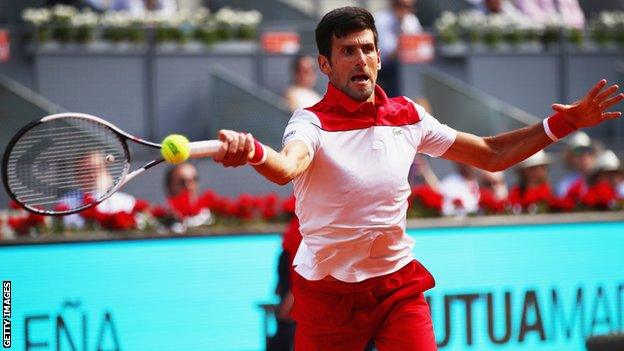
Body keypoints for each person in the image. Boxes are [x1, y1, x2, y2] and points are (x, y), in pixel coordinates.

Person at [211, 7, 622, 350]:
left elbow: (492, 154)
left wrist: (562, 123)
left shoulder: (408, 116)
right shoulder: (310, 122)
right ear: (325, 64)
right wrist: (253, 152)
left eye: (368, 49)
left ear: (379, 57)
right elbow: (287, 168)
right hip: (328, 296)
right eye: (348, 50)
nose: (361, 59)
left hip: (395, 289)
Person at [375, 0, 422, 97]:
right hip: (385, 68)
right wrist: (403, 43)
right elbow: (386, 56)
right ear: (394, 4)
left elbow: (420, 47)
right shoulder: (381, 19)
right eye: (402, 6)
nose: (407, 10)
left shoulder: (411, 20)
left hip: (409, 67)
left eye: (410, 6)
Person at [556, 131, 595, 198]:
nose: (584, 155)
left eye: (587, 150)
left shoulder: (604, 179)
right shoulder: (565, 185)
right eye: (578, 151)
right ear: (570, 158)